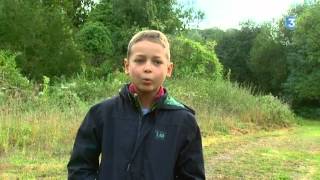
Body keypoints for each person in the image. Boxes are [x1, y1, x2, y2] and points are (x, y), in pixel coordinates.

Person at [67, 30, 205, 180]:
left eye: (157, 62)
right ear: (126, 66)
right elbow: (80, 168)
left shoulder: (183, 121)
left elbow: (192, 176)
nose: (147, 68)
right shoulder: (102, 114)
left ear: (169, 69)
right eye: (139, 60)